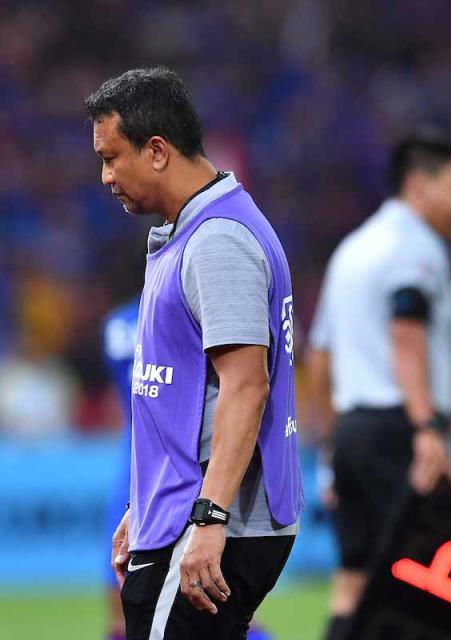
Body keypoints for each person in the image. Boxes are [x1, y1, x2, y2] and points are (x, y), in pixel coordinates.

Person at [84, 67, 303, 640]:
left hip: (209, 522)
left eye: (112, 157)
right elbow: (185, 394)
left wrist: (209, 518)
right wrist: (149, 506)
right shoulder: (195, 232)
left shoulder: (218, 241)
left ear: (157, 150)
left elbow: (246, 385)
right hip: (183, 511)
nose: (105, 176)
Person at [307, 130, 451, 640]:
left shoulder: (352, 249)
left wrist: (333, 441)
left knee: (354, 578)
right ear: (419, 185)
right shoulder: (415, 248)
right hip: (400, 429)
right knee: (426, 589)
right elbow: (407, 333)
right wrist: (428, 427)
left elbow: (320, 357)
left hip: (354, 429)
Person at [100, 297, 139, 640]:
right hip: (186, 458)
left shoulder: (117, 324)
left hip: (133, 458)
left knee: (121, 610)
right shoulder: (193, 311)